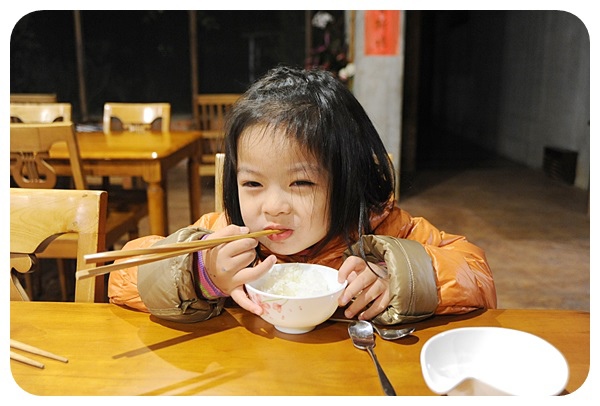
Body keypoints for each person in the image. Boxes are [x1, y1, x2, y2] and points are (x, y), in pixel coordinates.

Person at [108, 65, 496, 324]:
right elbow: (119, 272)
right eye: (253, 184)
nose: (273, 206)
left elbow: (477, 273)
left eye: (302, 183)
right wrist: (201, 273)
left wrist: (400, 278)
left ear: (347, 178)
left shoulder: (384, 229)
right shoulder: (227, 234)